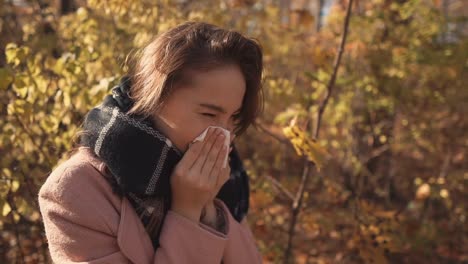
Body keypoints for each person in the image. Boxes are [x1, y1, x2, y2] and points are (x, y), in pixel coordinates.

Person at [38, 22, 264, 263]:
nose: (223, 135)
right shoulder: (75, 191)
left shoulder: (222, 180)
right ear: (155, 98)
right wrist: (187, 212)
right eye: (209, 115)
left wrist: (208, 208)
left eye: (232, 118)